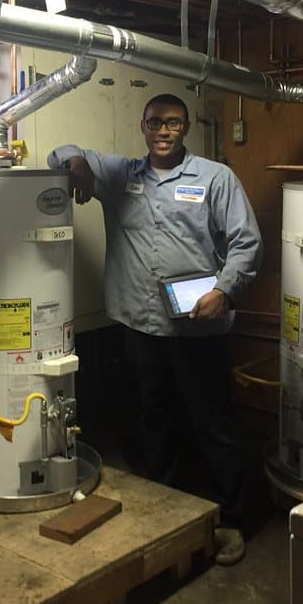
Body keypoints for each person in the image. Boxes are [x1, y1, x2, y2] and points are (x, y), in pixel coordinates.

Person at [47, 93, 262, 566]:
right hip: (140, 324)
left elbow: (247, 243)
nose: (163, 131)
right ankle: (165, 511)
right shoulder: (121, 175)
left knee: (214, 424)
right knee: (153, 417)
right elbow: (58, 151)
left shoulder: (214, 178)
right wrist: (78, 162)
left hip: (197, 327)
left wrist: (224, 290)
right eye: (155, 123)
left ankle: (232, 519)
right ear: (142, 127)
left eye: (173, 124)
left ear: (185, 128)